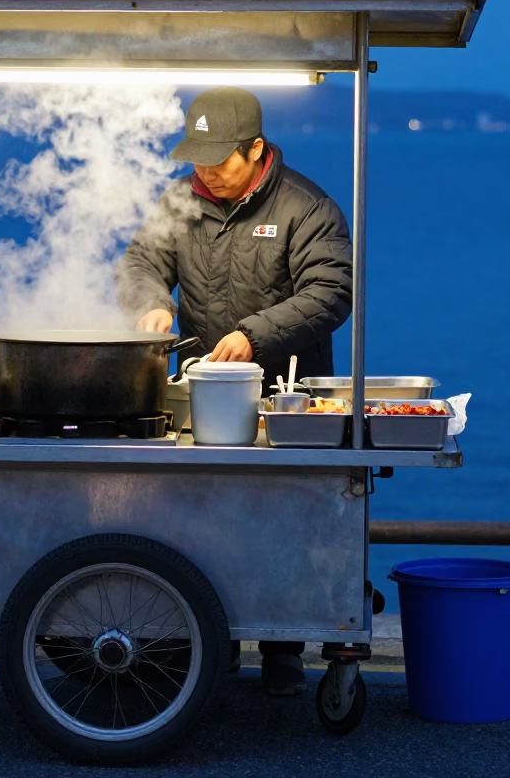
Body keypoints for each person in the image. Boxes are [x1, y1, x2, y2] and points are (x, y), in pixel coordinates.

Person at [116, 86, 353, 696]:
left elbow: (330, 294)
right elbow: (140, 259)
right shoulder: (182, 200)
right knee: (196, 523)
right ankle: (206, 641)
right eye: (197, 162)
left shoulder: (307, 207)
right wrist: (149, 304)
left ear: (255, 150)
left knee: (281, 526)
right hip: (201, 396)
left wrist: (254, 335)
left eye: (219, 163)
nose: (207, 175)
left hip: (284, 400)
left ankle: (283, 649)